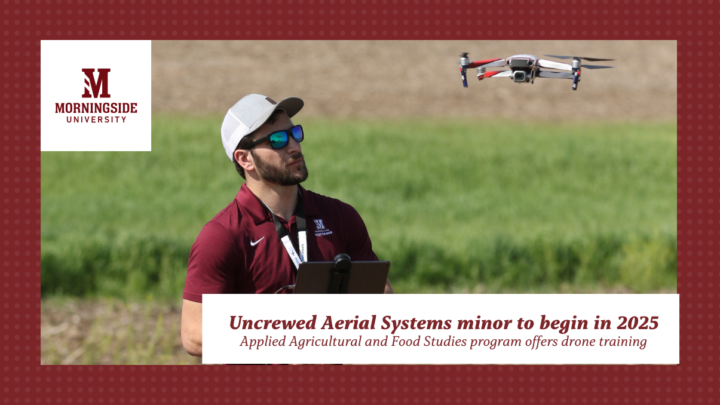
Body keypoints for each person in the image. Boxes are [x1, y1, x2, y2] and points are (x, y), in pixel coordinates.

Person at [181, 94, 393, 357]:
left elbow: (381, 296)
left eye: (294, 133)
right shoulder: (222, 236)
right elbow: (194, 335)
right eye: (277, 140)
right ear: (245, 159)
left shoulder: (341, 216)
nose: (294, 146)